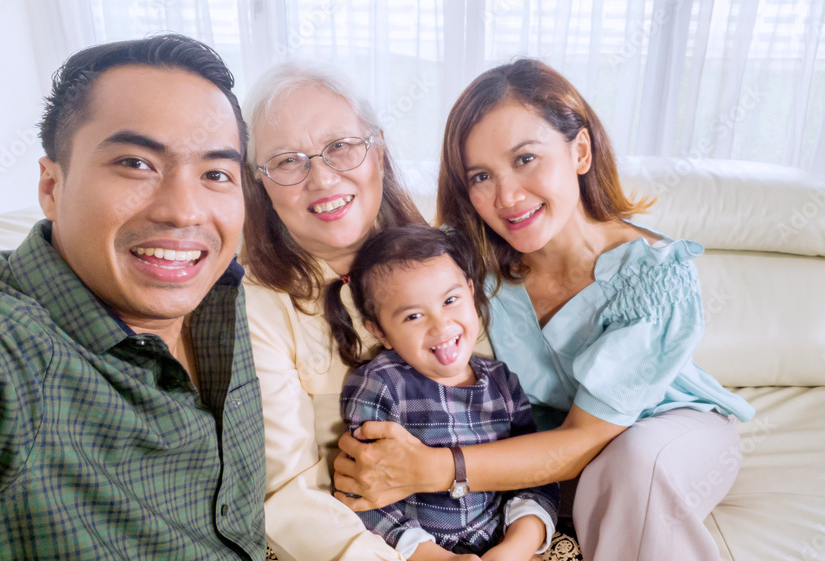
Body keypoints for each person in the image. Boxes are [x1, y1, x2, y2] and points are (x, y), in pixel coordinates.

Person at [333, 58, 756, 561]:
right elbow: (386, 262)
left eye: (526, 158)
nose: (507, 196)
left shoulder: (654, 279)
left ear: (579, 151)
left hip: (669, 431)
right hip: (546, 459)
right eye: (482, 176)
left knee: (634, 464)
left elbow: (581, 441)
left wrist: (433, 468)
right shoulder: (468, 262)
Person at [0, 35, 267, 560]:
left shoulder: (219, 292)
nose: (184, 210)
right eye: (136, 163)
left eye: (215, 174)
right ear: (50, 186)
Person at [240, 61, 426, 560]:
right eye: (286, 161)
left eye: (340, 147)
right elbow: (286, 495)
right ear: (259, 184)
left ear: (378, 153)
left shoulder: (441, 262)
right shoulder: (255, 304)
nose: (321, 178)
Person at [325, 225, 559, 561]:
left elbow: (535, 474)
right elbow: (361, 490)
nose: (441, 325)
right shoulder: (381, 384)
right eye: (414, 316)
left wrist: (515, 547)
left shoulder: (502, 382)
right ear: (379, 330)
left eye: (451, 300)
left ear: (471, 292)